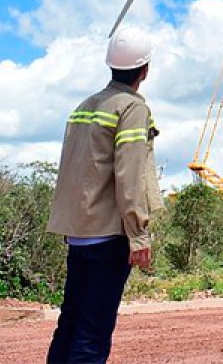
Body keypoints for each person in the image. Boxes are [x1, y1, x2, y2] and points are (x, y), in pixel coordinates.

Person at [46, 27, 162, 364]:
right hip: (109, 236)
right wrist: (139, 234)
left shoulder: (86, 105)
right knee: (92, 335)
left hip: (78, 233)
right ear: (145, 70)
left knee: (69, 325)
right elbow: (129, 175)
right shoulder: (131, 109)